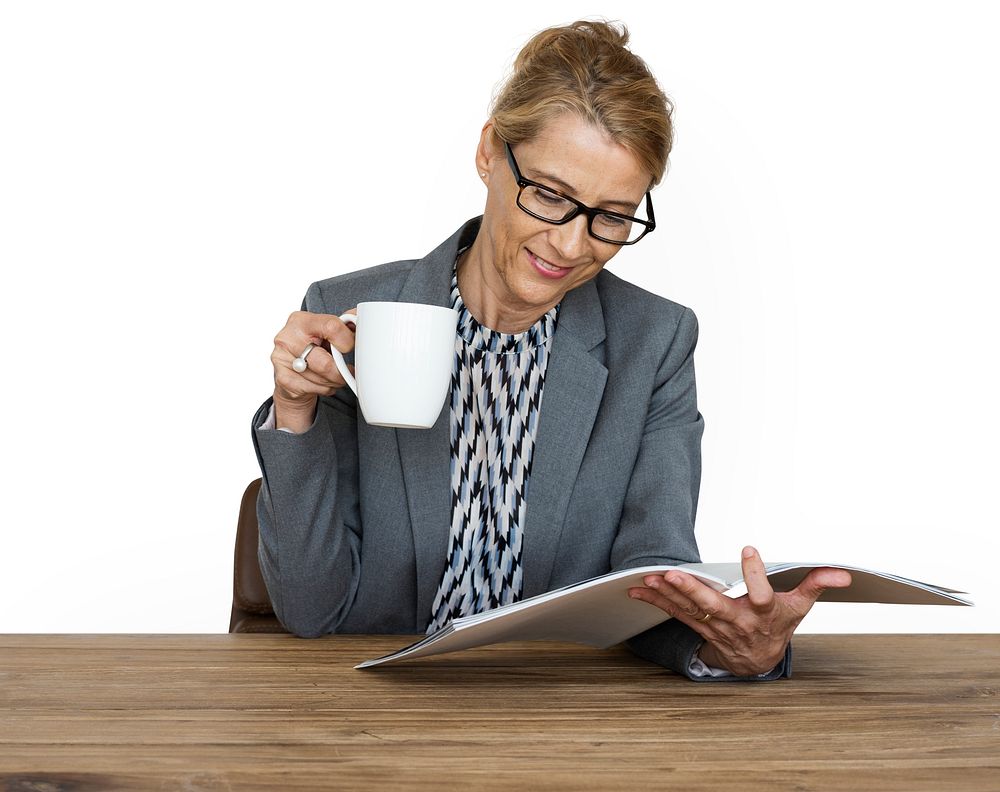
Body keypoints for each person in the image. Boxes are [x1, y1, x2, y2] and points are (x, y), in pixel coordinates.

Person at [250, 19, 851, 680]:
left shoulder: (654, 342)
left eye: (613, 216)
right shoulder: (353, 316)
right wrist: (294, 413)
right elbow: (312, 610)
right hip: (378, 708)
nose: (570, 247)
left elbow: (651, 578)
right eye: (549, 195)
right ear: (489, 153)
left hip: (567, 708)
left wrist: (726, 648)